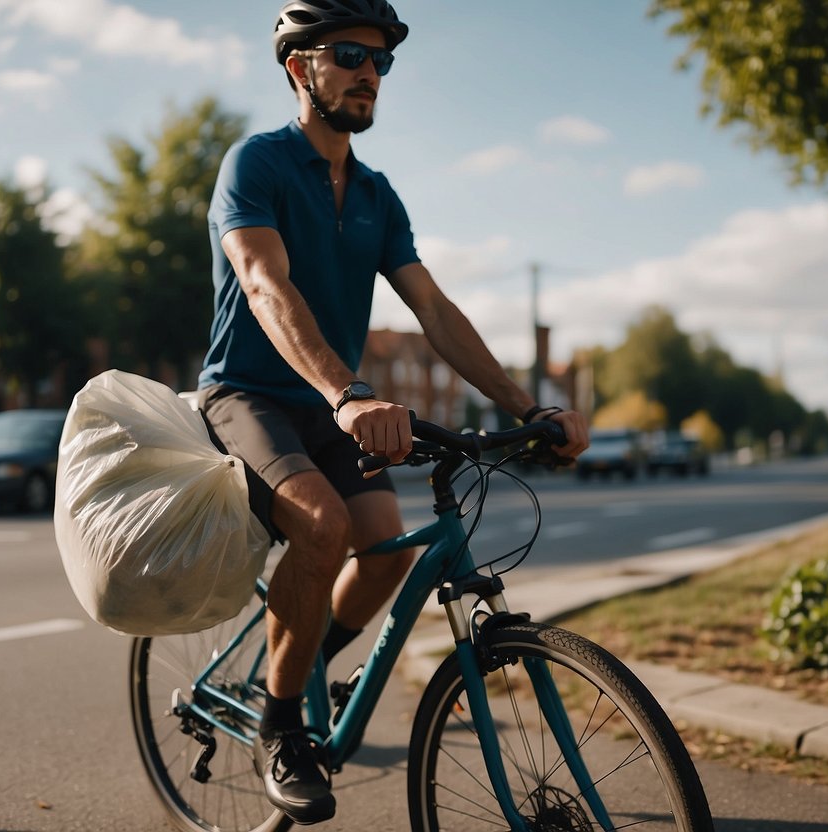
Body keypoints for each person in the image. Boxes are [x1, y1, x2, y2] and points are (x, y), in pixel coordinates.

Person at [196, 1, 589, 824]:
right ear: (299, 67)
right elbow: (268, 288)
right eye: (349, 55)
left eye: (380, 61)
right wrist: (348, 393)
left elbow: (435, 313)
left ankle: (291, 672)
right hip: (251, 395)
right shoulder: (255, 164)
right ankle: (279, 729)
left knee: (386, 550)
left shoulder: (376, 194)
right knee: (321, 522)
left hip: (336, 406)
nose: (368, 73)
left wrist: (529, 408)